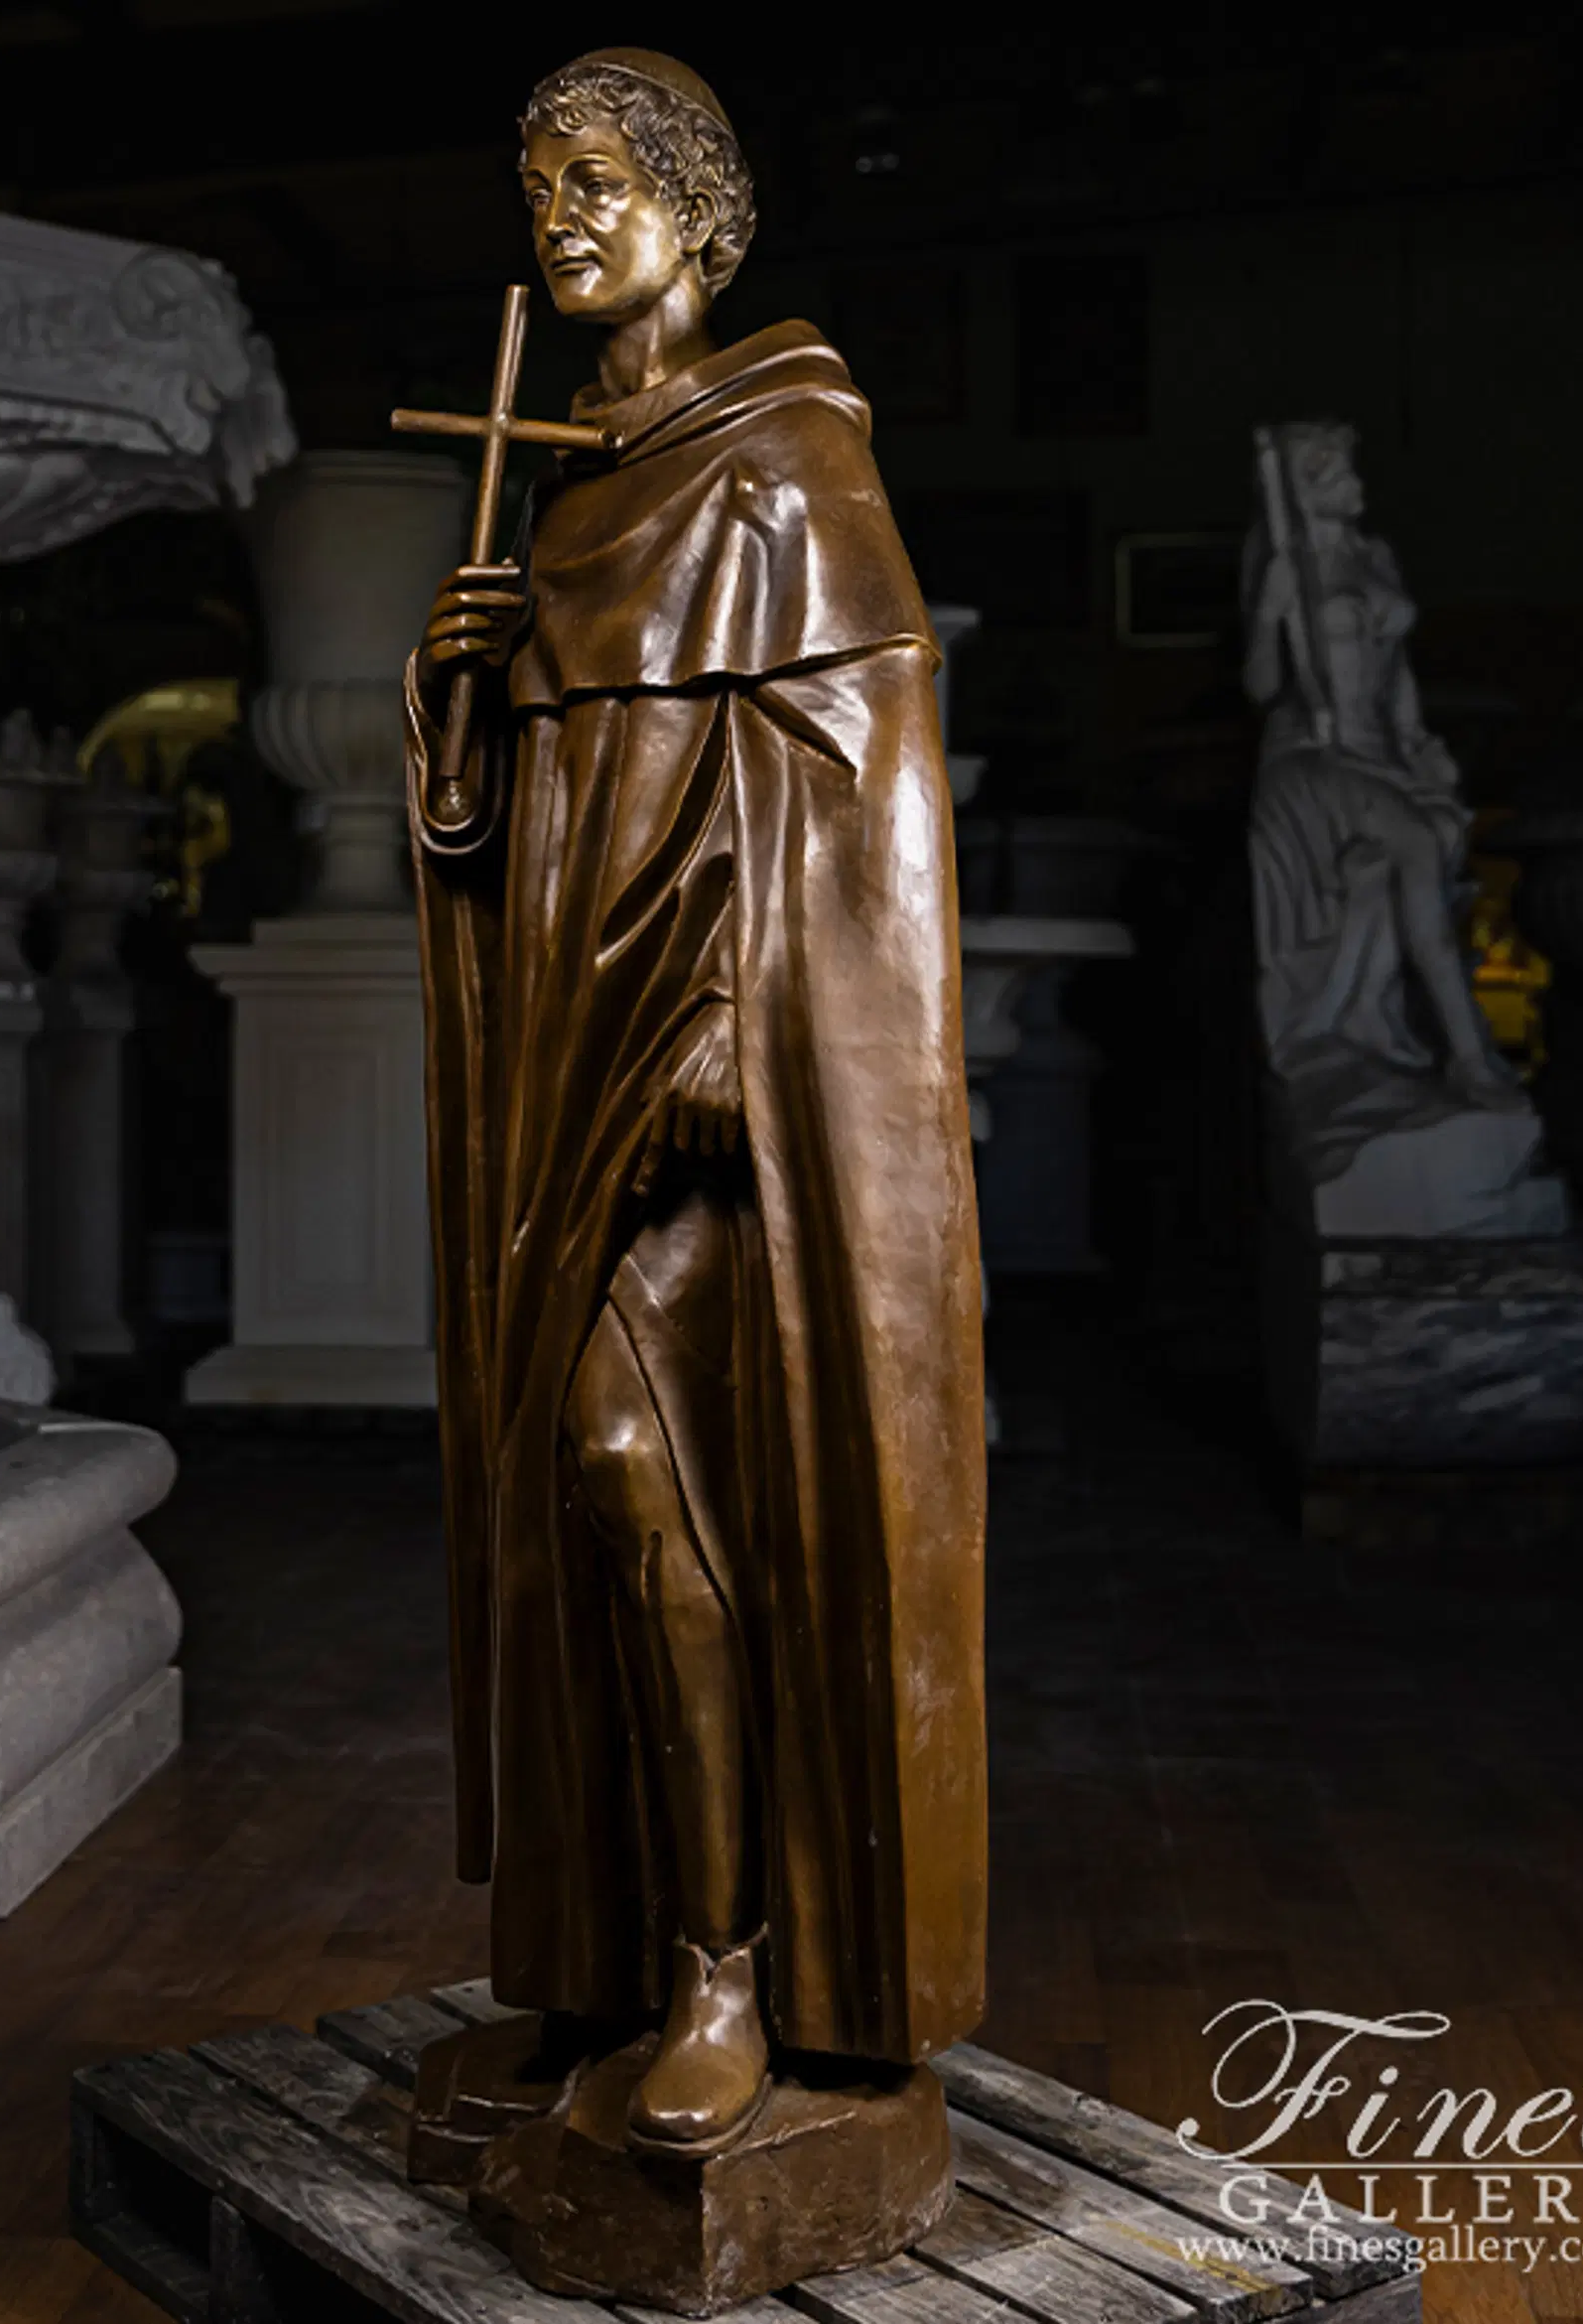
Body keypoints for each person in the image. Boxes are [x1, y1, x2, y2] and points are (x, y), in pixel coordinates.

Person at [406, 48, 986, 2159]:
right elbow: (523, 847)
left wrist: (735, 1033)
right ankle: (599, 1960)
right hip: (569, 1071)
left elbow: (861, 802)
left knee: (639, 1466)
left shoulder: (787, 460)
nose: (559, 218)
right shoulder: (571, 494)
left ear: (698, 212)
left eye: (597, 181)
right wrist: (464, 706)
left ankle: (731, 1965)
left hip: (726, 1099)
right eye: (537, 186)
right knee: (571, 1507)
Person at [1245, 421, 1521, 1173]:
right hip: (1315, 760)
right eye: (1335, 471)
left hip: (1383, 755)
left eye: (1349, 466)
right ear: (1305, 487)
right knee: (1416, 844)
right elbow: (1263, 688)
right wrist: (1269, 613)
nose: (1353, 481)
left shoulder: (1376, 558)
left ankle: (1399, 1034)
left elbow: (1395, 671)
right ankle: (1469, 1054)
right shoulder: (1287, 566)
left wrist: (1418, 743)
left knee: (1435, 838)